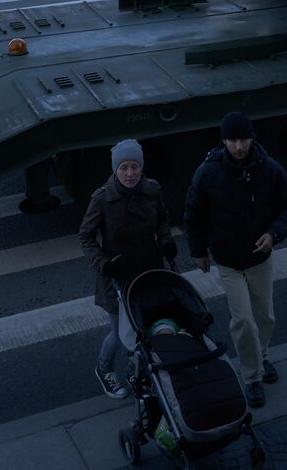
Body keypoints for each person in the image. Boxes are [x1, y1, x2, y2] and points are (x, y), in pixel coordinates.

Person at [184, 111, 287, 408]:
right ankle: (252, 378)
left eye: (243, 139)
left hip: (260, 257)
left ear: (251, 138)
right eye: (232, 140)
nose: (238, 146)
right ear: (223, 141)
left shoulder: (269, 169)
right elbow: (193, 212)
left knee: (265, 317)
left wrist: (273, 234)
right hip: (228, 261)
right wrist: (198, 251)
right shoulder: (208, 172)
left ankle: (261, 357)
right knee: (243, 320)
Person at [78, 139, 175, 400]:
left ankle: (140, 373)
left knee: (147, 328)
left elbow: (163, 219)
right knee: (122, 333)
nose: (130, 174)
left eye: (134, 167)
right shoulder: (102, 198)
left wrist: (166, 241)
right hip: (116, 275)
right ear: (115, 170)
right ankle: (104, 369)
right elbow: (86, 236)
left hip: (148, 270)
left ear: (141, 168)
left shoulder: (153, 190)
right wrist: (102, 264)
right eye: (124, 168)